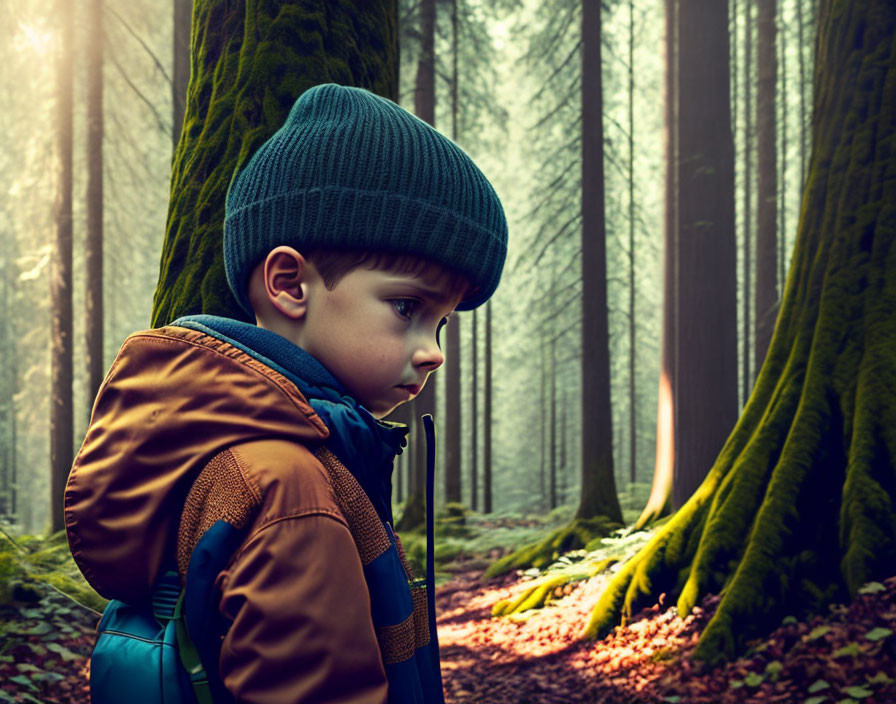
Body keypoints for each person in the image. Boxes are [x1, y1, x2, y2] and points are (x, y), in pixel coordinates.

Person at [64, 83, 507, 703]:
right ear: (289, 284)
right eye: (407, 307)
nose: (433, 350)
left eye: (441, 323)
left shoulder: (259, 450)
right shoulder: (289, 491)